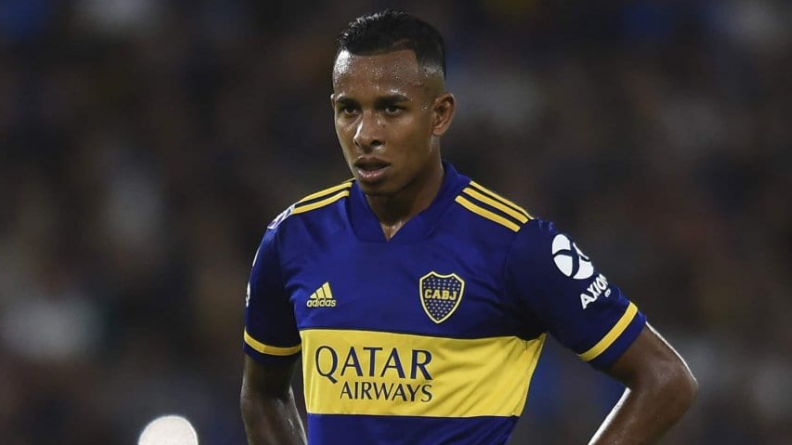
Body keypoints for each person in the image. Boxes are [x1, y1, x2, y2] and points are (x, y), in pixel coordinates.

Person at [240, 9, 697, 445]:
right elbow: (263, 394)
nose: (365, 134)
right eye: (349, 110)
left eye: (391, 109)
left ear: (440, 114)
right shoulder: (293, 238)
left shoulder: (517, 246)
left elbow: (665, 379)